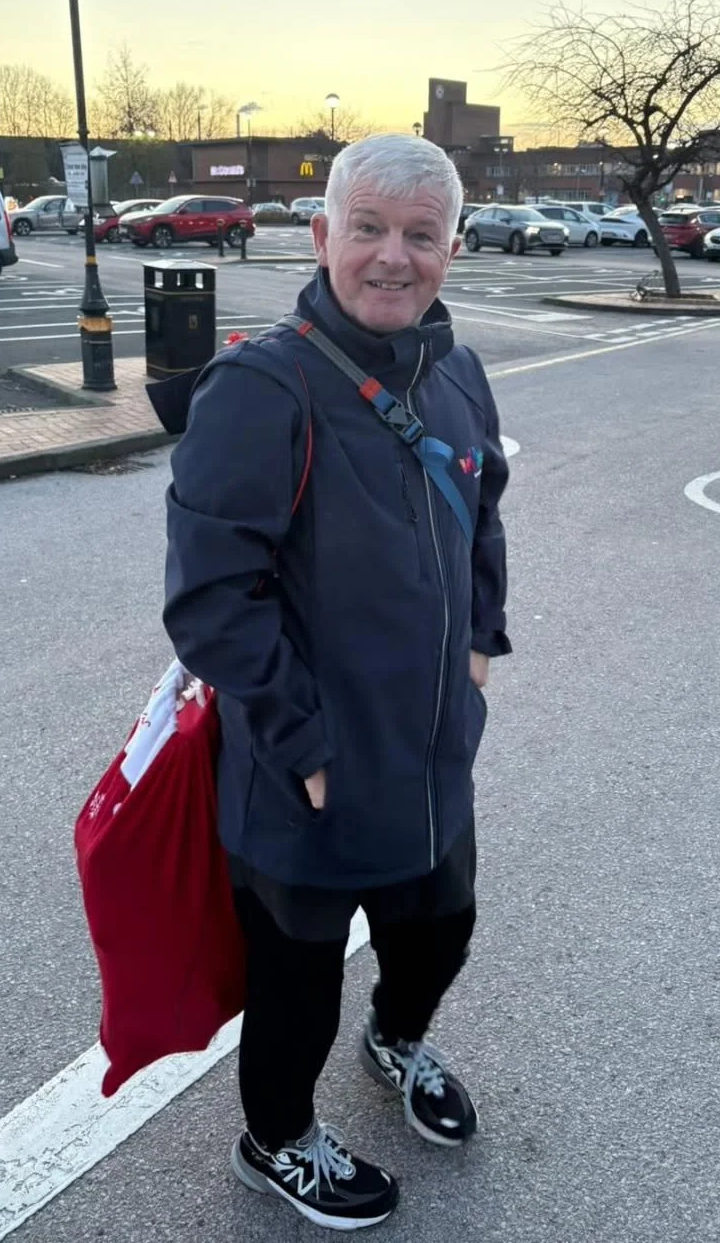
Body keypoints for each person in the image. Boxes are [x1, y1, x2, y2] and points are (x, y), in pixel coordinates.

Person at [163, 134, 510, 1230]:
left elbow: (484, 508)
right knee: (298, 979)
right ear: (321, 237)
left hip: (432, 745)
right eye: (368, 228)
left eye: (420, 235)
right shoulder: (262, 388)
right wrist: (301, 740)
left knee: (441, 926)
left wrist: (482, 641)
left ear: (453, 248)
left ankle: (397, 1038)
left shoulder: (455, 371)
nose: (393, 257)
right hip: (304, 762)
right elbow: (212, 600)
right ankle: (275, 1140)